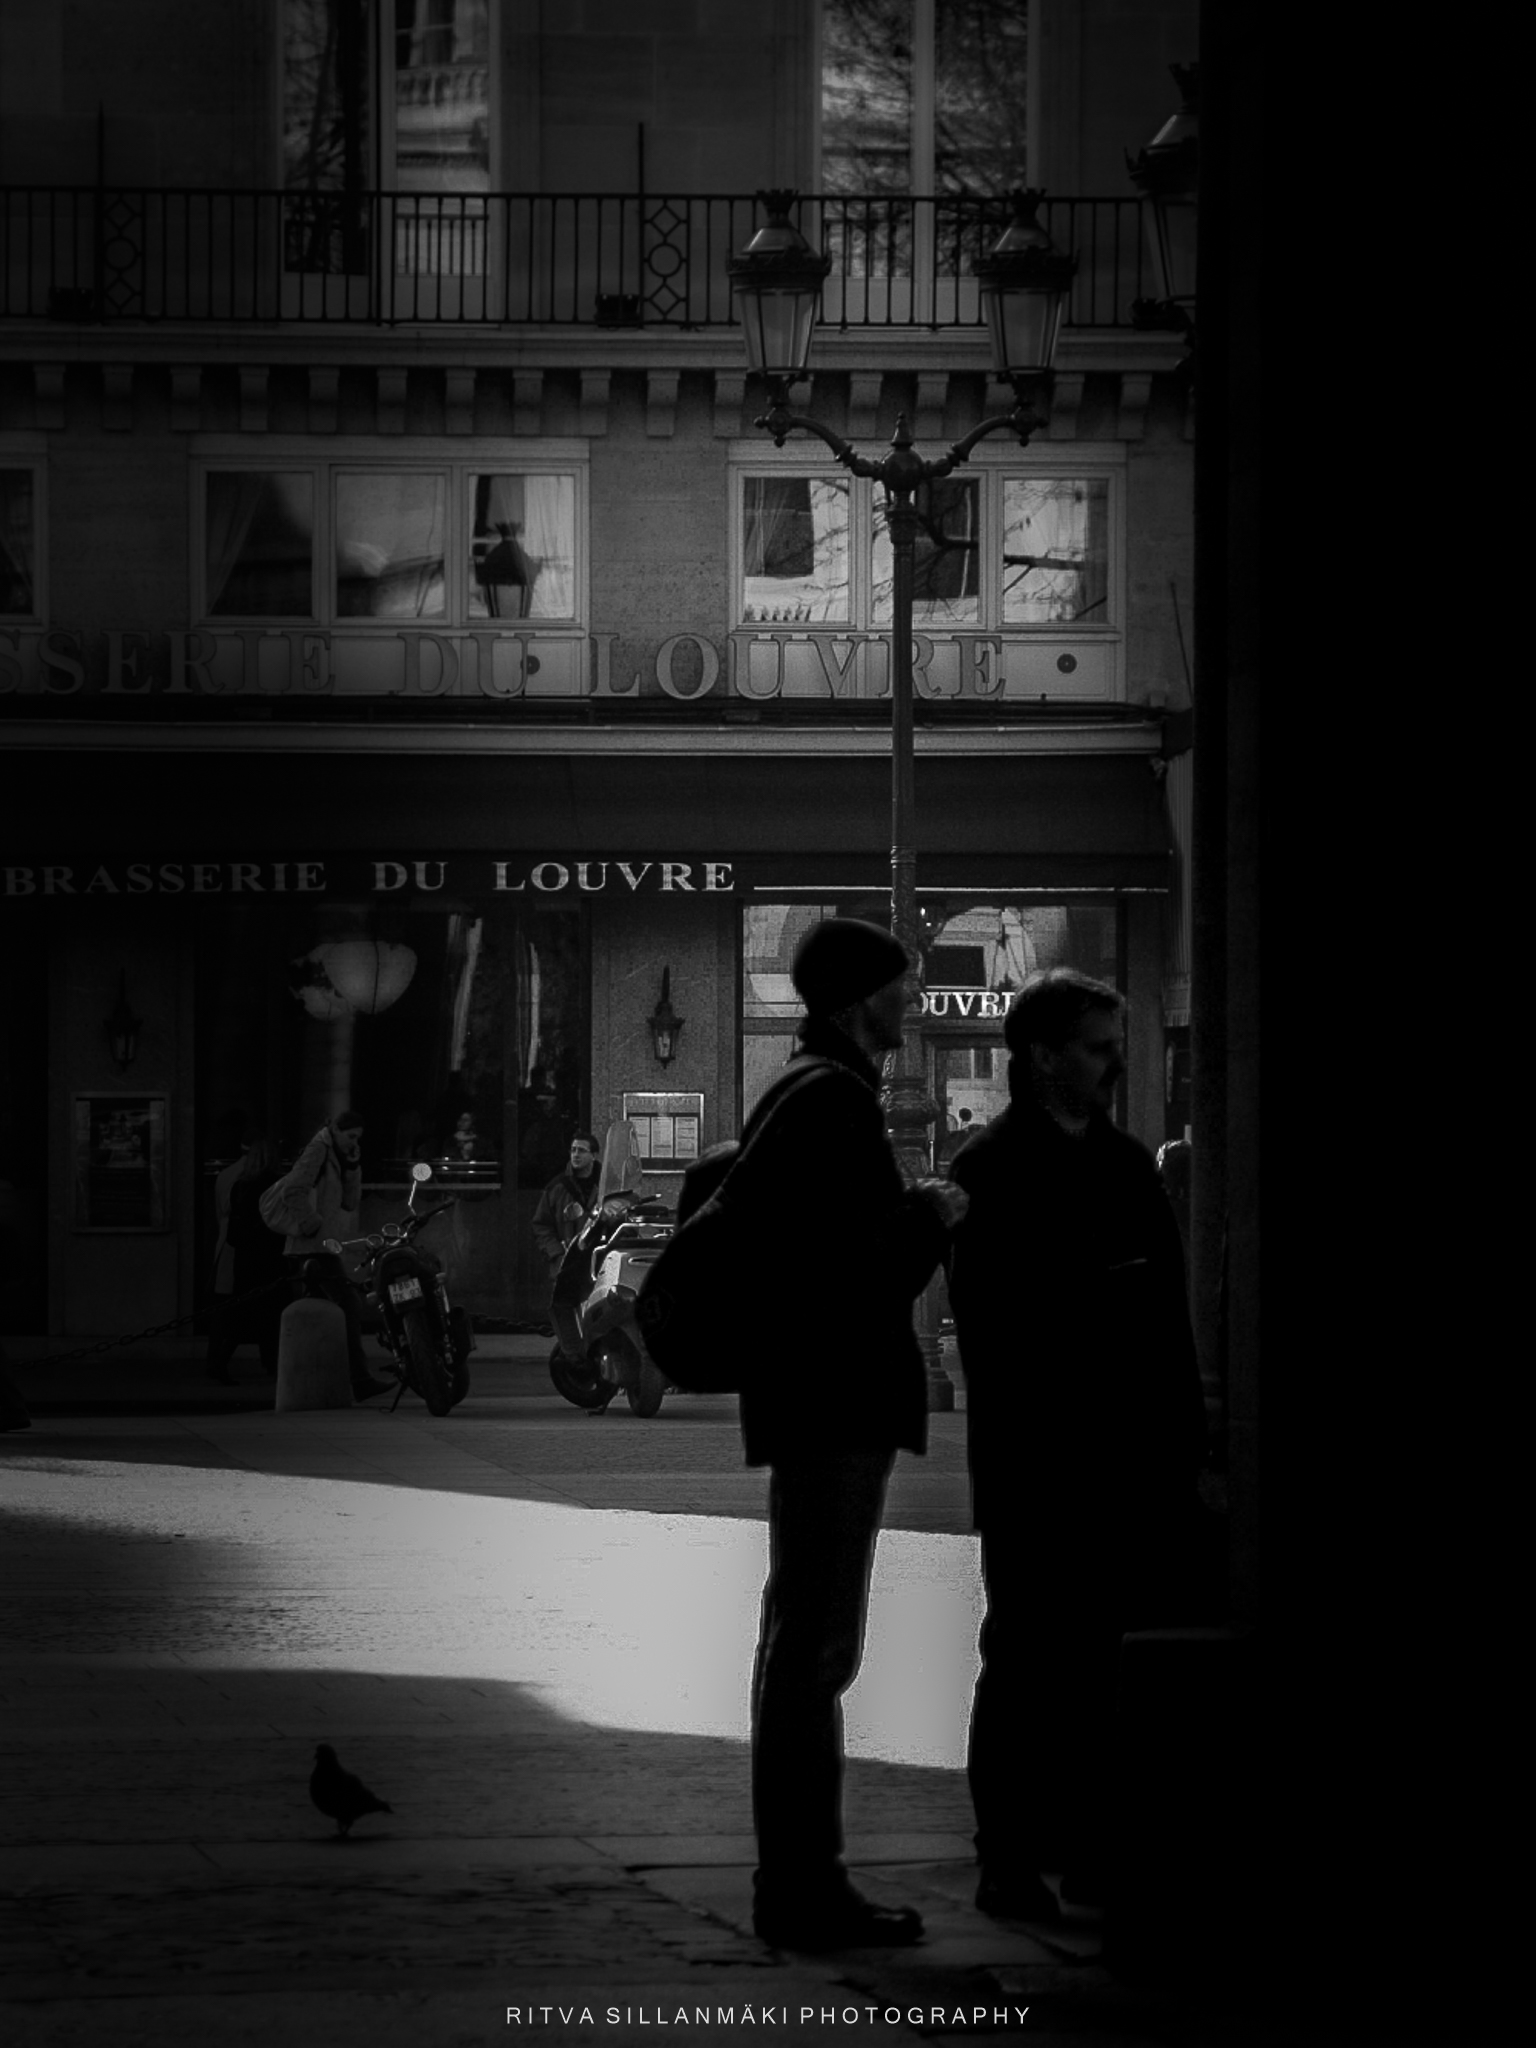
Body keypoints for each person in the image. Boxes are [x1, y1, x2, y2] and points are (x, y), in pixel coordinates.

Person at [946, 969, 1208, 1922]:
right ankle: (1007, 1855)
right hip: (1034, 1461)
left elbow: (1166, 1324)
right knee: (1022, 1655)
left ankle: (1092, 1846)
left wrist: (1186, 1449)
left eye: (1113, 1047)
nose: (1111, 1066)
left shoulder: (1129, 1168)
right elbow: (997, 1336)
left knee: (1102, 1661)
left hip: (1122, 1459)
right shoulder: (990, 1173)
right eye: (1096, 1048)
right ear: (1042, 1054)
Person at [736, 916, 966, 1951]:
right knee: (816, 1646)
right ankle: (803, 1883)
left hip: (809, 1398)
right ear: (850, 999)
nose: (910, 1000)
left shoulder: (804, 1089)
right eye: (897, 985)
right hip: (833, 1401)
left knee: (801, 1639)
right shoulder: (832, 1101)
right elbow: (855, 1268)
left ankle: (798, 1876)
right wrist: (932, 1211)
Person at [278, 1110, 392, 1401]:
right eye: (350, 1136)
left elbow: (350, 1202)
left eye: (358, 1138)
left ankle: (347, 1378)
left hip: (323, 1244)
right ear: (335, 1131)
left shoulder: (339, 1157)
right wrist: (310, 1222)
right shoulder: (318, 1150)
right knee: (349, 1304)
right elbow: (292, 1190)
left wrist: (353, 1166)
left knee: (340, 1306)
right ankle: (359, 1379)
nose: (354, 1142)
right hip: (311, 1245)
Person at [205, 1136, 292, 1381]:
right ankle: (272, 1364)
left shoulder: (238, 1184)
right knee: (272, 1314)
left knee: (240, 1314)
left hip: (244, 1258)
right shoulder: (278, 1184)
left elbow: (228, 1221)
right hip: (270, 1256)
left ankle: (219, 1361)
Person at [531, 1133, 600, 1276]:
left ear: (594, 1155)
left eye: (581, 1150)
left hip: (599, 1262)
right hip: (566, 1264)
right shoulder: (557, 1187)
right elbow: (541, 1225)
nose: (575, 1155)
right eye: (573, 1150)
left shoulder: (606, 1186)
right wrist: (556, 1253)